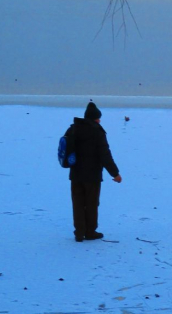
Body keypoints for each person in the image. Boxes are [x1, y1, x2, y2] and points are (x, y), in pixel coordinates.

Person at [66, 102, 122, 242]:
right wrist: (115, 173)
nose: (100, 120)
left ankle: (79, 232)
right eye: (98, 118)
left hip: (76, 174)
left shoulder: (73, 129)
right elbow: (105, 155)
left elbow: (65, 148)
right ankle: (90, 231)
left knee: (77, 203)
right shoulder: (97, 131)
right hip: (92, 175)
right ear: (94, 118)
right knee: (91, 203)